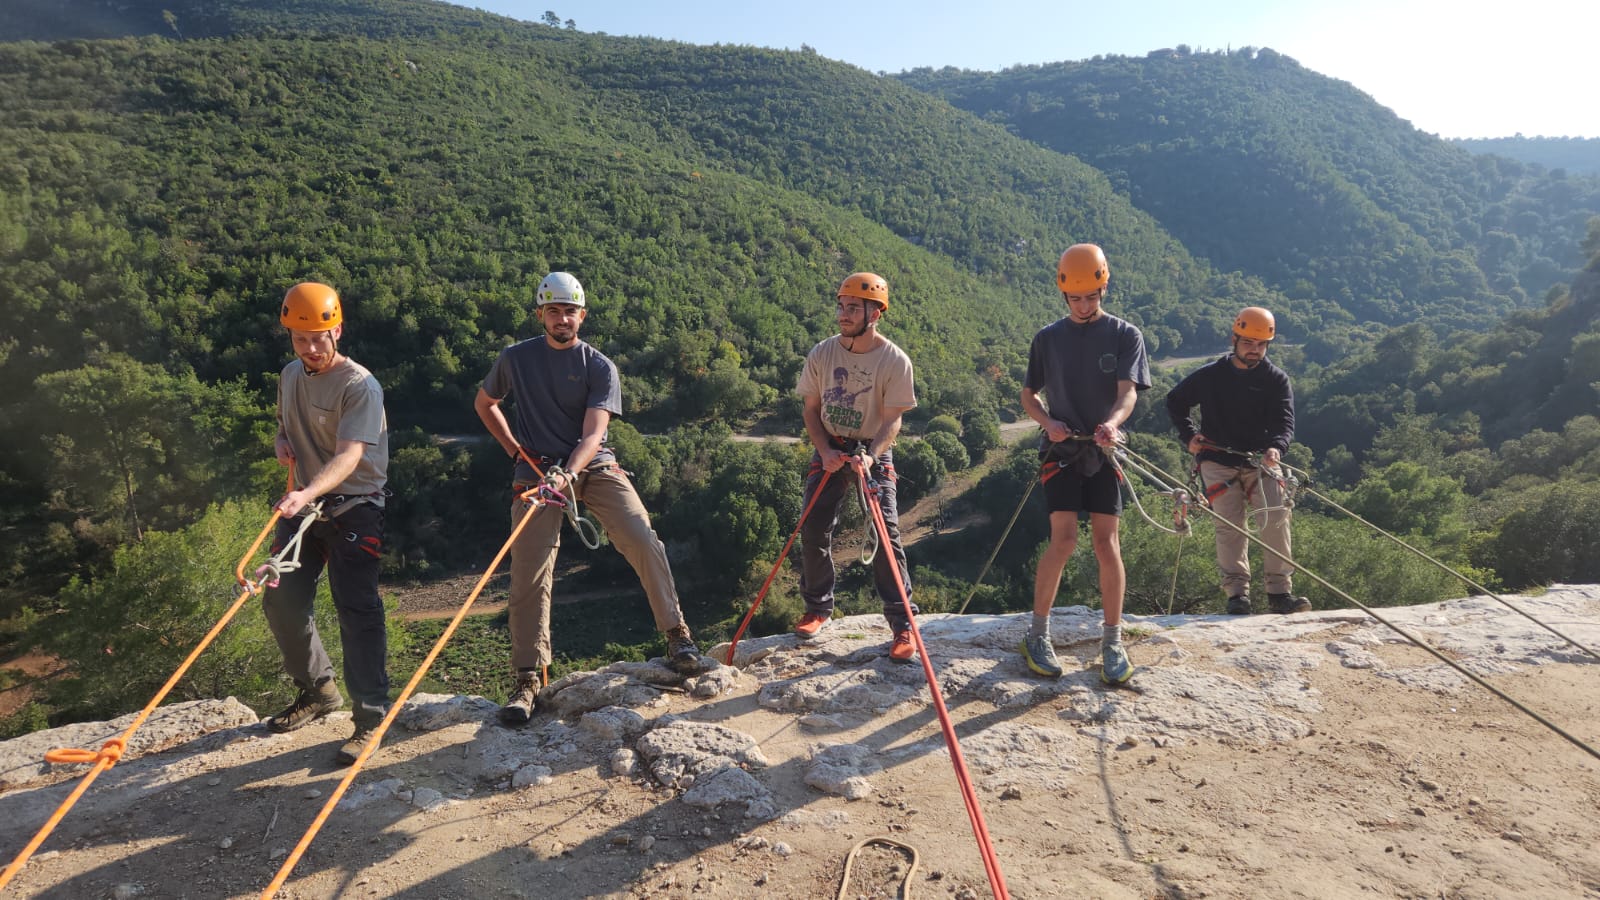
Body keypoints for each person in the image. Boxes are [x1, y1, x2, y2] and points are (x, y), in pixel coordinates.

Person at [475, 272, 701, 725]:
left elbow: (594, 433)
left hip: (591, 466)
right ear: (540, 314)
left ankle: (677, 635)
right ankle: (527, 679)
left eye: (570, 312)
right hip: (537, 470)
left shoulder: (599, 366)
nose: (562, 319)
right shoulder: (515, 359)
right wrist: (515, 451)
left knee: (641, 536)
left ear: (582, 315)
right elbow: (485, 403)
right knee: (530, 570)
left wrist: (569, 473)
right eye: (554, 311)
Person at [262, 281, 391, 766]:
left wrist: (306, 492)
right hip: (306, 503)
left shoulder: (360, 386)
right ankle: (318, 690)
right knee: (280, 600)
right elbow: (285, 423)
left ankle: (371, 718)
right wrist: (281, 440)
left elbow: (350, 455)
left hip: (354, 505)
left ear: (338, 331)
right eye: (301, 339)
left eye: (319, 338)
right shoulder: (290, 375)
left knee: (357, 609)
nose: (311, 348)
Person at [1019, 244, 1149, 684]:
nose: (1083, 306)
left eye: (1090, 297)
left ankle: (1112, 641)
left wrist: (1112, 423)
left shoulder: (1124, 334)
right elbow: (1028, 396)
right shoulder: (1048, 338)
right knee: (1064, 540)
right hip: (1061, 453)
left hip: (1103, 450)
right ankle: (1038, 635)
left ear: (1103, 289)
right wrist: (1049, 423)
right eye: (1075, 299)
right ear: (1064, 294)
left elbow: (1128, 392)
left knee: (1106, 543)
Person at [791, 272, 920, 661]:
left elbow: (893, 420)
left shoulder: (894, 360)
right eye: (841, 306)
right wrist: (824, 450)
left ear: (875, 313)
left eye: (852, 308)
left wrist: (871, 455)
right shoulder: (823, 353)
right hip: (830, 446)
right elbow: (811, 410)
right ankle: (817, 608)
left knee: (885, 534)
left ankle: (903, 624)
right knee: (813, 527)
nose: (843, 315)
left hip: (871, 449)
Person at [1165, 306, 1311, 615]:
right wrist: (1189, 435)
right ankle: (1236, 595)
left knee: (1275, 517)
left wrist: (1277, 448)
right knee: (1229, 526)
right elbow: (1175, 401)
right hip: (1217, 458)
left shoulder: (1275, 379)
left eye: (1260, 344)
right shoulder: (1211, 376)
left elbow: (1284, 422)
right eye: (1248, 343)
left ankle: (1279, 593)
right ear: (1234, 340)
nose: (1254, 350)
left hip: (1260, 460)